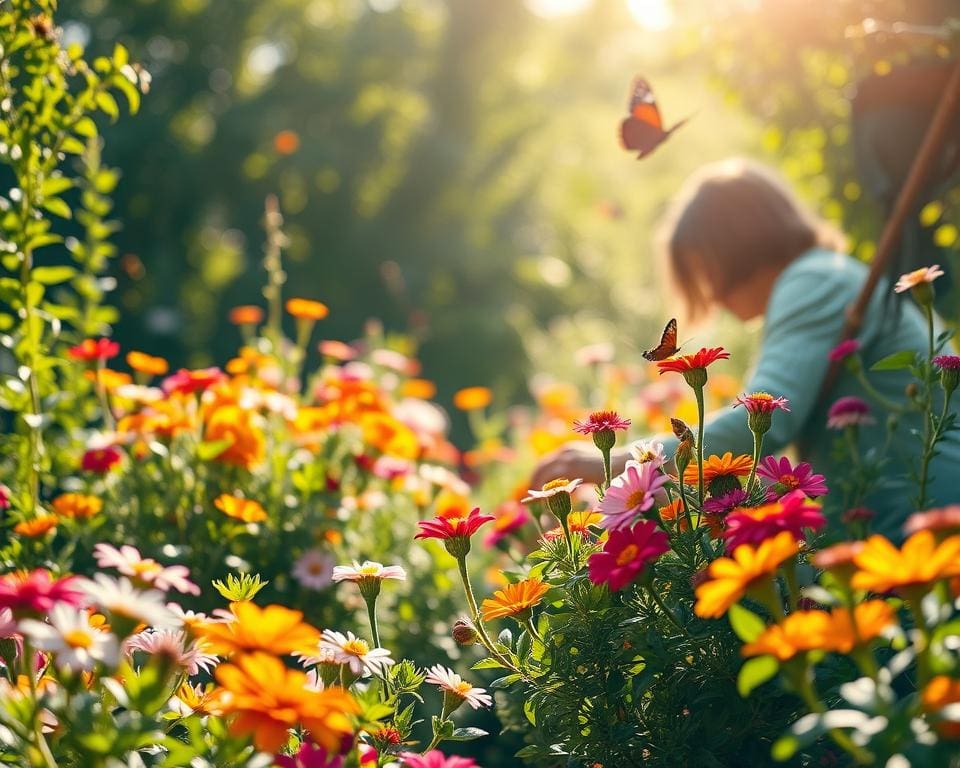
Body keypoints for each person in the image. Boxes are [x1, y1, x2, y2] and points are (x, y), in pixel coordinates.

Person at [530, 158, 960, 535]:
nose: (713, 297)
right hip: (914, 515)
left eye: (706, 273)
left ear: (736, 249)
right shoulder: (826, 274)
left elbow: (762, 417)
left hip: (929, 522)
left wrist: (622, 461)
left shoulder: (811, 282)